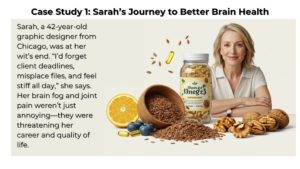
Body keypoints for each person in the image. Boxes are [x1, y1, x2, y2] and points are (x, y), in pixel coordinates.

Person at [211, 23, 271, 117]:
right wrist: (241, 100)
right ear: (220, 50)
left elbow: (266, 109)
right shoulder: (208, 73)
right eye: (227, 45)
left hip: (247, 130)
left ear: (246, 49)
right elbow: (200, 107)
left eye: (239, 45)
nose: (232, 51)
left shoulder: (255, 73)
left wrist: (226, 113)